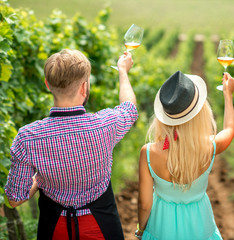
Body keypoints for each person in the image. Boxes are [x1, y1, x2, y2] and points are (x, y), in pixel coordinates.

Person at [4, 49, 138, 240]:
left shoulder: (28, 137)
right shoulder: (105, 124)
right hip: (102, 226)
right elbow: (130, 108)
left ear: (47, 84)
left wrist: (39, 179)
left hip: (54, 229)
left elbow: (15, 199)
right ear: (84, 88)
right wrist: (122, 71)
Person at [136, 71, 234, 239]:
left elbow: (144, 204)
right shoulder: (209, 147)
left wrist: (141, 231)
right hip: (200, 226)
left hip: (161, 228)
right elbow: (229, 130)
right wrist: (228, 94)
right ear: (200, 113)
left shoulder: (148, 153)